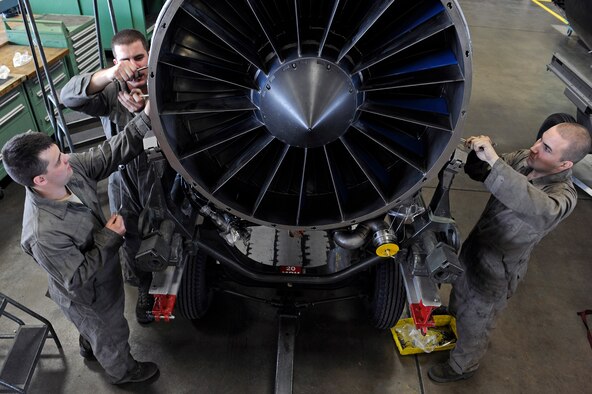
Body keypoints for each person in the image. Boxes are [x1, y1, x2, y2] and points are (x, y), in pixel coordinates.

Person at [1, 105, 159, 385]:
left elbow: (108, 153)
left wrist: (145, 116)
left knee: (94, 333)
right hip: (88, 296)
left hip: (101, 277)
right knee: (111, 333)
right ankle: (123, 373)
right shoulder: (43, 233)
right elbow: (76, 278)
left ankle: (89, 344)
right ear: (40, 180)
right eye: (58, 160)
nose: (67, 159)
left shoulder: (67, 172)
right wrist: (110, 237)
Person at [428, 122, 592, 383]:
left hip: (499, 269)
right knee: (459, 289)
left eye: (547, 148)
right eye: (540, 139)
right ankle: (453, 317)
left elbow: (533, 204)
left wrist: (494, 160)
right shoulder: (525, 160)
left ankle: (463, 365)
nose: (535, 148)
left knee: (477, 321)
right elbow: (484, 172)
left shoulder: (561, 197)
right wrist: (477, 154)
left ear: (564, 165)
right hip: (477, 246)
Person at [61, 29, 154, 323]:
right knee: (130, 237)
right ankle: (144, 289)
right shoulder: (111, 93)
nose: (135, 66)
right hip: (123, 180)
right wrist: (109, 75)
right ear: (115, 61)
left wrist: (148, 110)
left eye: (139, 57)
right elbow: (68, 96)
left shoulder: (165, 81)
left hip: (163, 177)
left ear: (149, 54)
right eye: (125, 60)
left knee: (172, 226)